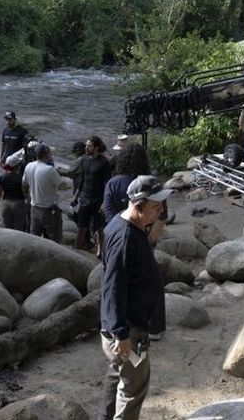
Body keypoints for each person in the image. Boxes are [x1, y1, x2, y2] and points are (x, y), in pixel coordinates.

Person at [99, 175, 173, 420]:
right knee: (134, 388)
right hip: (128, 331)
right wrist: (120, 334)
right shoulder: (125, 238)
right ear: (138, 204)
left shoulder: (128, 225)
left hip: (123, 327)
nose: (161, 210)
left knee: (116, 376)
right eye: (156, 205)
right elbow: (113, 287)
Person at [73, 135, 111, 255]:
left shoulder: (104, 162)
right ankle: (77, 250)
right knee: (81, 227)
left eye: (89, 146)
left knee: (99, 228)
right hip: (84, 198)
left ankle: (100, 252)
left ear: (96, 147)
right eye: (86, 145)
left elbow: (107, 183)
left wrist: (105, 202)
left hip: (98, 200)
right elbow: (82, 180)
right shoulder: (84, 160)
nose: (86, 147)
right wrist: (75, 196)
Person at [22, 143, 63, 243]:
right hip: (49, 211)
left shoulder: (29, 166)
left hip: (34, 209)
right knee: (54, 241)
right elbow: (61, 186)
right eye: (49, 152)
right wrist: (69, 184)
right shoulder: (50, 169)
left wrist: (27, 196)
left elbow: (24, 184)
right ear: (46, 155)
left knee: (34, 241)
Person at [0, 163, 27, 231]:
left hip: (5, 205)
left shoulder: (2, 177)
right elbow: (24, 193)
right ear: (17, 168)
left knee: (7, 230)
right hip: (18, 204)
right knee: (18, 229)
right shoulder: (20, 178)